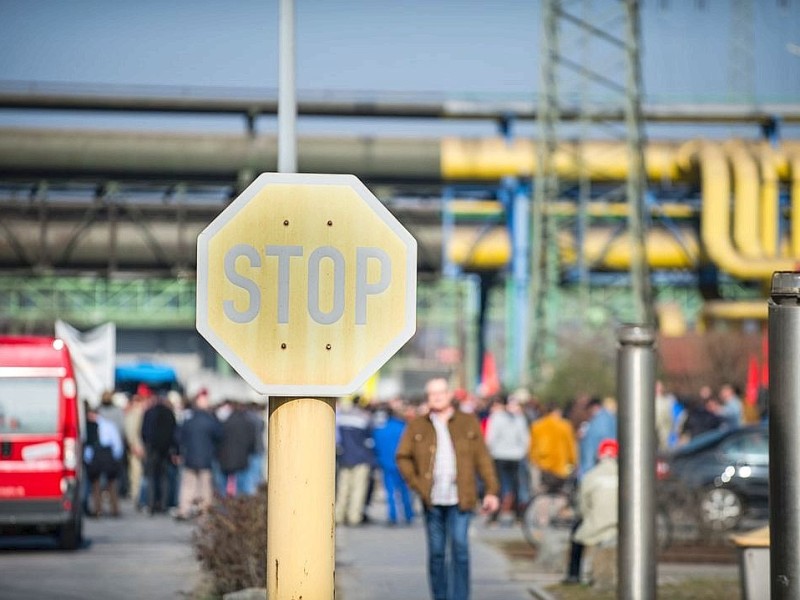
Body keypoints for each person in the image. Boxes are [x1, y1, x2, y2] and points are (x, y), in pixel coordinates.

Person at [396, 377, 500, 600]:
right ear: (428, 397)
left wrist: (491, 490)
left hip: (461, 497)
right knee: (436, 552)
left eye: (441, 392)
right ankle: (440, 596)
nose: (437, 397)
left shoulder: (467, 422)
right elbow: (403, 456)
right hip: (432, 498)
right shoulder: (418, 425)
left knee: (460, 548)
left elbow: (482, 457)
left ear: (450, 394)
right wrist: (416, 484)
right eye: (432, 394)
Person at [571, 438, 619, 587]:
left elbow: (582, 505)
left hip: (596, 525)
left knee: (576, 536)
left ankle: (574, 575)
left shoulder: (591, 476)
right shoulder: (628, 476)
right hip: (619, 525)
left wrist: (586, 517)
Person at [175, 390, 222, 520]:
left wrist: (178, 452)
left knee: (187, 486)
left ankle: (184, 510)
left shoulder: (188, 419)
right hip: (206, 459)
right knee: (205, 488)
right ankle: (203, 512)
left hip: (189, 457)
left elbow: (179, 437)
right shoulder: (210, 420)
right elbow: (219, 435)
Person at [484, 395, 530, 523]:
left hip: (501, 455)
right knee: (515, 484)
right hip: (513, 455)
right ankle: (516, 512)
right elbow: (525, 439)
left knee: (500, 484)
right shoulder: (518, 418)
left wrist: (490, 451)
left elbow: (490, 438)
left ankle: (497, 512)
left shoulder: (497, 417)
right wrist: (522, 452)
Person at [372, 401, 415, 526]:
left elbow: (376, 447)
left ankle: (393, 516)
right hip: (402, 463)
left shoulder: (380, 429)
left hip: (386, 463)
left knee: (391, 491)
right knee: (405, 490)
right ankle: (408, 514)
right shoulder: (403, 427)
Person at [334, 397, 375, 526]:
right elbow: (370, 440)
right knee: (358, 489)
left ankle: (339, 515)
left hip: (345, 457)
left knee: (342, 488)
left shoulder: (342, 418)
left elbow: (338, 438)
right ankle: (354, 516)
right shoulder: (365, 418)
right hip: (361, 458)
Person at [84, 403, 125, 517]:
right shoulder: (108, 425)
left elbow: (89, 446)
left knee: (101, 483)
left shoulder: (96, 426)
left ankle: (102, 509)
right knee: (106, 483)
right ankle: (110, 509)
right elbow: (117, 443)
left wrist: (88, 458)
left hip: (103, 454)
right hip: (106, 455)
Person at [529, 403, 578, 494]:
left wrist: (534, 460)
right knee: (560, 491)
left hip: (544, 464)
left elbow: (532, 446)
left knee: (545, 491)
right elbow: (571, 445)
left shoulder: (537, 425)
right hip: (561, 464)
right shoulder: (565, 426)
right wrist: (573, 462)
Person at [141, 392, 178, 514]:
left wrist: (147, 444)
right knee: (164, 478)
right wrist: (174, 449)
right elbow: (174, 433)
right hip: (166, 450)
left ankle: (151, 504)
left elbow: (144, 431)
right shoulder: (169, 413)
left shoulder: (149, 413)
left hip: (152, 449)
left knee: (151, 477)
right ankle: (163, 504)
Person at [217, 401, 257, 496]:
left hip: (225, 459)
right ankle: (244, 505)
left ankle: (225, 505)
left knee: (223, 486)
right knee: (243, 485)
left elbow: (218, 439)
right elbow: (252, 441)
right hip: (242, 458)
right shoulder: (247, 423)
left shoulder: (224, 423)